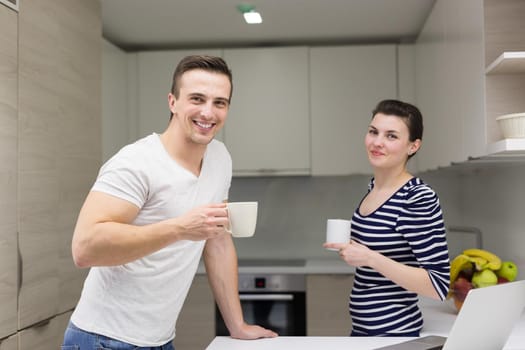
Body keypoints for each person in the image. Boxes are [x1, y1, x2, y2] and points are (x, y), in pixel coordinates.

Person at [62, 55, 277, 349]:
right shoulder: (136, 163)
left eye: (219, 102)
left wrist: (237, 325)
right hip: (103, 339)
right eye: (197, 99)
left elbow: (218, 242)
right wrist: (179, 229)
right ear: (172, 102)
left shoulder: (219, 158)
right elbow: (84, 249)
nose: (208, 112)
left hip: (161, 340)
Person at [324, 99, 450, 337]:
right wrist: (353, 250)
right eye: (373, 132)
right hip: (364, 333)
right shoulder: (374, 187)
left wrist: (369, 257)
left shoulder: (416, 197)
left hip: (394, 336)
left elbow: (438, 285)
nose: (377, 142)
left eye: (391, 136)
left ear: (413, 146)